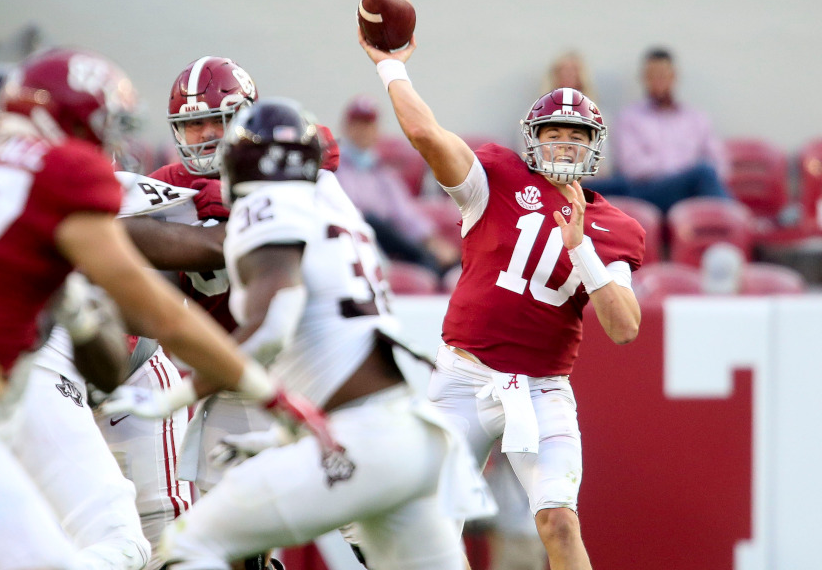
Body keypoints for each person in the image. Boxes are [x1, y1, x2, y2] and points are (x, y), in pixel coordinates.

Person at [0, 47, 335, 570]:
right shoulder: (60, 176)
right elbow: (163, 312)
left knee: (15, 557)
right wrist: (267, 391)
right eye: (102, 123)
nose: (109, 141)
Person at [144, 97, 495, 570]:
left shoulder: (265, 205)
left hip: (358, 439)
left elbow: (270, 329)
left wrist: (176, 396)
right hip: (411, 434)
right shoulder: (337, 207)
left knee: (186, 547)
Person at [358, 29, 645, 570]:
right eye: (554, 132)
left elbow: (625, 327)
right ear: (532, 138)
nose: (563, 144)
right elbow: (425, 134)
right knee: (433, 531)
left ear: (594, 145)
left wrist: (580, 249)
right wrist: (391, 67)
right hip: (463, 380)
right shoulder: (495, 180)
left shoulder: (614, 227)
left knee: (558, 522)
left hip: (540, 390)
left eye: (576, 135)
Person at [587, 47, 730, 213]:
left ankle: (730, 225)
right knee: (703, 173)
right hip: (649, 191)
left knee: (705, 175)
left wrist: (686, 177)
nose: (658, 81)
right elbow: (632, 167)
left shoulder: (696, 118)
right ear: (644, 78)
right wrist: (683, 173)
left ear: (674, 76)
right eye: (652, 75)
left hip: (691, 189)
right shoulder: (629, 118)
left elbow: (718, 162)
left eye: (663, 74)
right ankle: (740, 224)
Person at [336, 94, 460, 277]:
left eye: (368, 124)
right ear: (347, 127)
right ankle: (427, 263)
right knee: (371, 221)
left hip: (386, 240)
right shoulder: (335, 169)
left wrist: (431, 240)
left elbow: (404, 212)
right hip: (355, 239)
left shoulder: (381, 172)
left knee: (394, 232)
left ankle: (430, 262)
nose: (363, 130)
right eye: (357, 123)